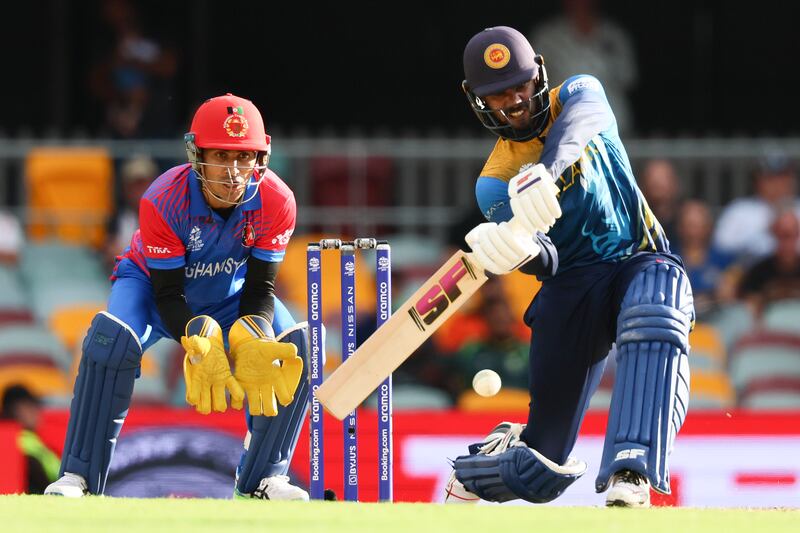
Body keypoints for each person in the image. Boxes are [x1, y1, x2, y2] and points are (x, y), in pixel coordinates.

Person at [445, 26, 693, 508]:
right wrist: (516, 252)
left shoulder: (580, 91)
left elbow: (582, 122)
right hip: (572, 286)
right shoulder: (493, 184)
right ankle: (476, 471)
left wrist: (547, 170)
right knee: (542, 467)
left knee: (659, 298)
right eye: (497, 94)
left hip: (635, 256)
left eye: (519, 84)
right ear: (477, 100)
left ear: (538, 72)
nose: (514, 100)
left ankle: (630, 470)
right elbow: (548, 259)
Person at [44, 94, 310, 501]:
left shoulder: (277, 200)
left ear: (262, 157)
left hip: (231, 296)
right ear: (196, 154)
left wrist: (252, 333)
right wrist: (197, 333)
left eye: (245, 157)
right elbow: (169, 294)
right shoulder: (162, 198)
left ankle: (262, 479)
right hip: (152, 290)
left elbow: (260, 289)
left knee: (295, 347)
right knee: (111, 341)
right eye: (221, 156)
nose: (234, 172)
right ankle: (78, 476)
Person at [529, 0, 638, 135]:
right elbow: (534, 84)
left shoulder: (614, 34)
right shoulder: (547, 36)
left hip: (613, 125)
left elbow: (629, 78)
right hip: (563, 125)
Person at [712, 152, 800, 266]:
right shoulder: (739, 211)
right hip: (749, 275)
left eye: (782, 177)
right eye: (769, 178)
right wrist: (765, 232)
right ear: (758, 181)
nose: (777, 184)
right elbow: (721, 248)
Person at [672, 199, 737, 319]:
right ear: (679, 228)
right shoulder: (669, 258)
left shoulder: (725, 259)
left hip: (716, 319)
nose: (693, 232)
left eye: (699, 225)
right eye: (689, 225)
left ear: (709, 227)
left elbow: (729, 294)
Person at [738, 207, 800, 317]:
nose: (787, 241)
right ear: (774, 235)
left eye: (792, 235)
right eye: (783, 235)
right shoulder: (758, 272)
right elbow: (749, 309)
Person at [1, 384, 61, 494]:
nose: (37, 412)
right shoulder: (18, 442)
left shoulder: (33, 439)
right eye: (29, 406)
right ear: (13, 410)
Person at [104, 154, 158, 267]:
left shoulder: (168, 218)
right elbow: (109, 251)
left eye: (144, 184)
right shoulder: (115, 219)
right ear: (125, 188)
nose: (139, 190)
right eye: (135, 185)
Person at [639, 159, 682, 247]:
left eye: (663, 178)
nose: (658, 184)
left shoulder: (685, 223)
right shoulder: (635, 223)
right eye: (653, 179)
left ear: (675, 184)